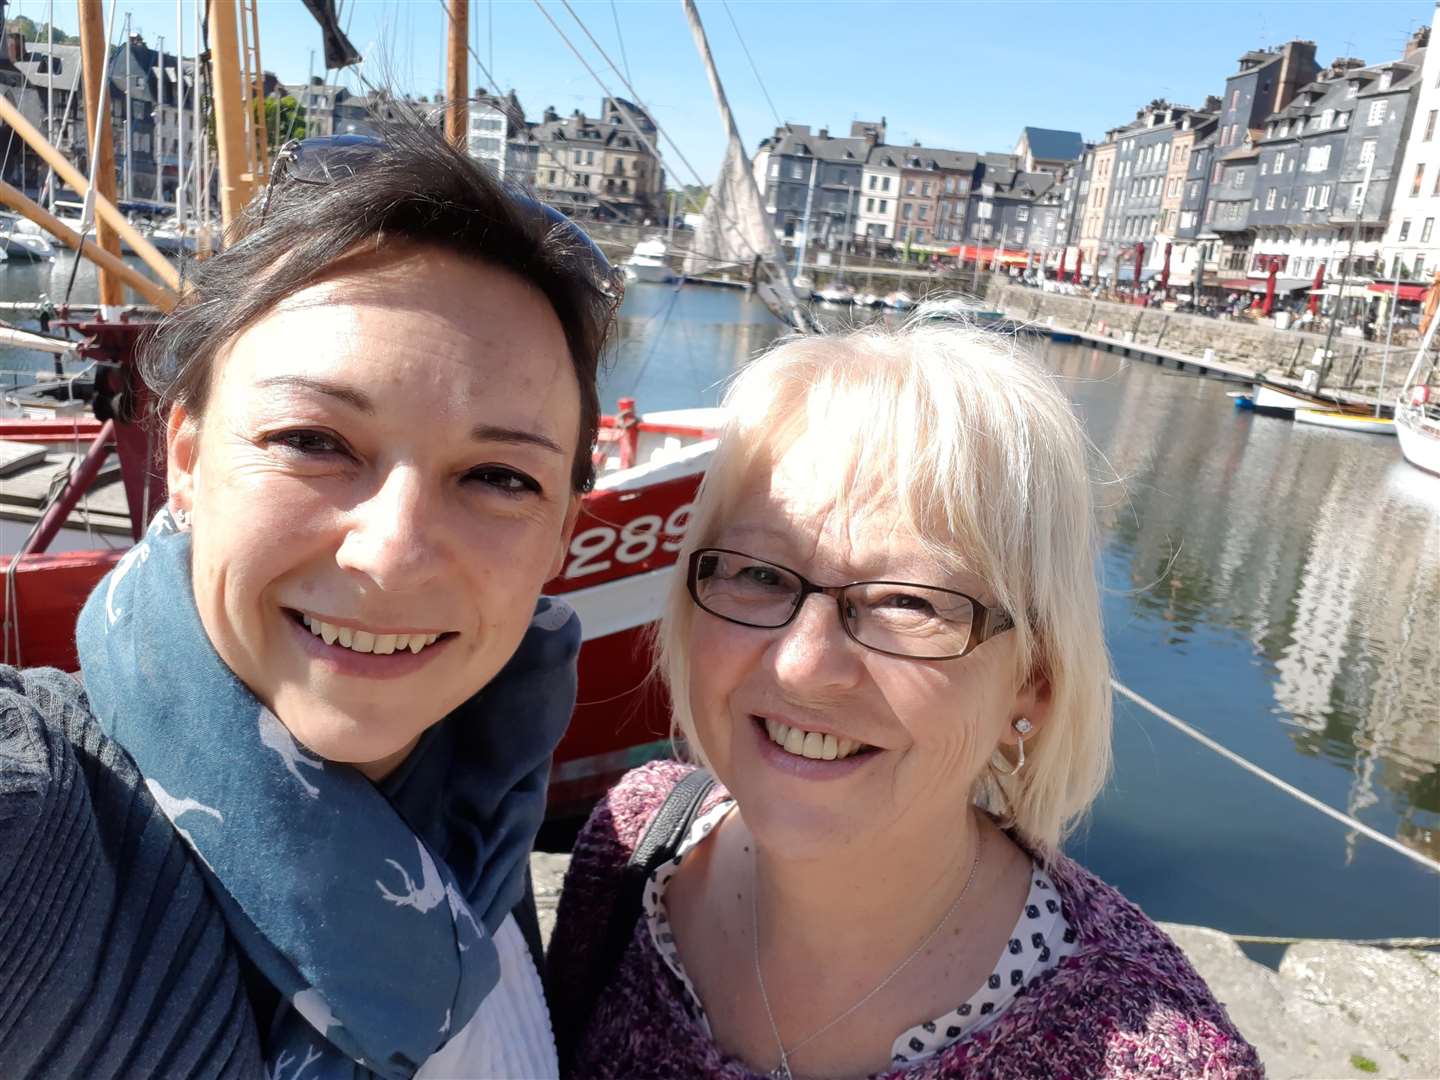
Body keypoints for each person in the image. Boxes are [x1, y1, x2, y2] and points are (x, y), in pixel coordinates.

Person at [1, 126, 620, 1078]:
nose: (394, 555)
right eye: (314, 441)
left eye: (499, 476)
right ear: (190, 457)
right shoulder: (38, 813)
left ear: (562, 532)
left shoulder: (478, 810)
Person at [547, 323, 1263, 1079]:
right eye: (758, 576)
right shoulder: (633, 848)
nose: (803, 666)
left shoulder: (1157, 1060)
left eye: (907, 602)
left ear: (1036, 681)